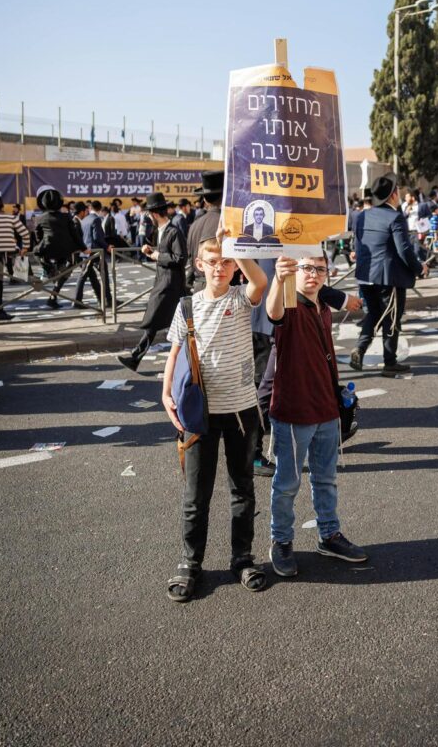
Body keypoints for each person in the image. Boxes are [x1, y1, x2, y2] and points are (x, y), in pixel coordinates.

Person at [162, 233, 268, 602]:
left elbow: (261, 282)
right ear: (199, 265)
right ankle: (191, 563)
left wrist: (237, 248)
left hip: (241, 411)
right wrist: (165, 393)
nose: (220, 267)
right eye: (213, 260)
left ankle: (242, 558)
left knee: (242, 489)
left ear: (234, 266)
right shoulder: (186, 306)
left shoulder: (242, 298)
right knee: (196, 495)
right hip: (199, 415)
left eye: (226, 261)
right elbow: (175, 354)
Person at [267, 253, 368, 578]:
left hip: (325, 409)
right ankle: (281, 541)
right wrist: (280, 279)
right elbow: (274, 312)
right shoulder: (290, 304)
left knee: (326, 479)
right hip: (293, 411)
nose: (312, 274)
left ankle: (329, 535)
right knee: (286, 483)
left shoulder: (322, 306)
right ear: (295, 271)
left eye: (319, 269)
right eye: (305, 268)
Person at [350, 172, 427, 376]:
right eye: (398, 190)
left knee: (374, 313)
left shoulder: (363, 215)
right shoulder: (395, 217)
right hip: (388, 277)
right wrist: (420, 268)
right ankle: (389, 362)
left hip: (366, 275)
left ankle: (360, 349)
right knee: (391, 318)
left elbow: (358, 244)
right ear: (393, 195)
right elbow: (404, 250)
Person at [118, 192, 188, 371]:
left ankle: (136, 357)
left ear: (155, 214)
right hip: (164, 282)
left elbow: (180, 258)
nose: (148, 217)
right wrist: (151, 251)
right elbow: (165, 253)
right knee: (166, 322)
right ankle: (136, 358)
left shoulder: (174, 231)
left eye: (149, 214)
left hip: (171, 285)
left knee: (155, 318)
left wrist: (157, 255)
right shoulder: (161, 230)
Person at [34, 187, 86, 308]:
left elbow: (38, 236)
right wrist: (83, 248)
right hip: (67, 250)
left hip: (48, 249)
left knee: (36, 253)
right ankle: (54, 295)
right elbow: (74, 234)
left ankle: (48, 269)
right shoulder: (66, 217)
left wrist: (42, 244)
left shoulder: (40, 218)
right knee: (65, 272)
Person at [187, 171, 224, 291]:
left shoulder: (194, 225)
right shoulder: (226, 224)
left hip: (199, 287)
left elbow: (190, 257)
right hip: (221, 287)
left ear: (205, 200)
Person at [75, 200, 112, 308]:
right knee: (104, 276)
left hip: (85, 252)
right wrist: (107, 247)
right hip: (95, 252)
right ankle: (108, 300)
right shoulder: (96, 219)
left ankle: (78, 300)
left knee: (84, 277)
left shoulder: (84, 219)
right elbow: (97, 237)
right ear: (100, 209)